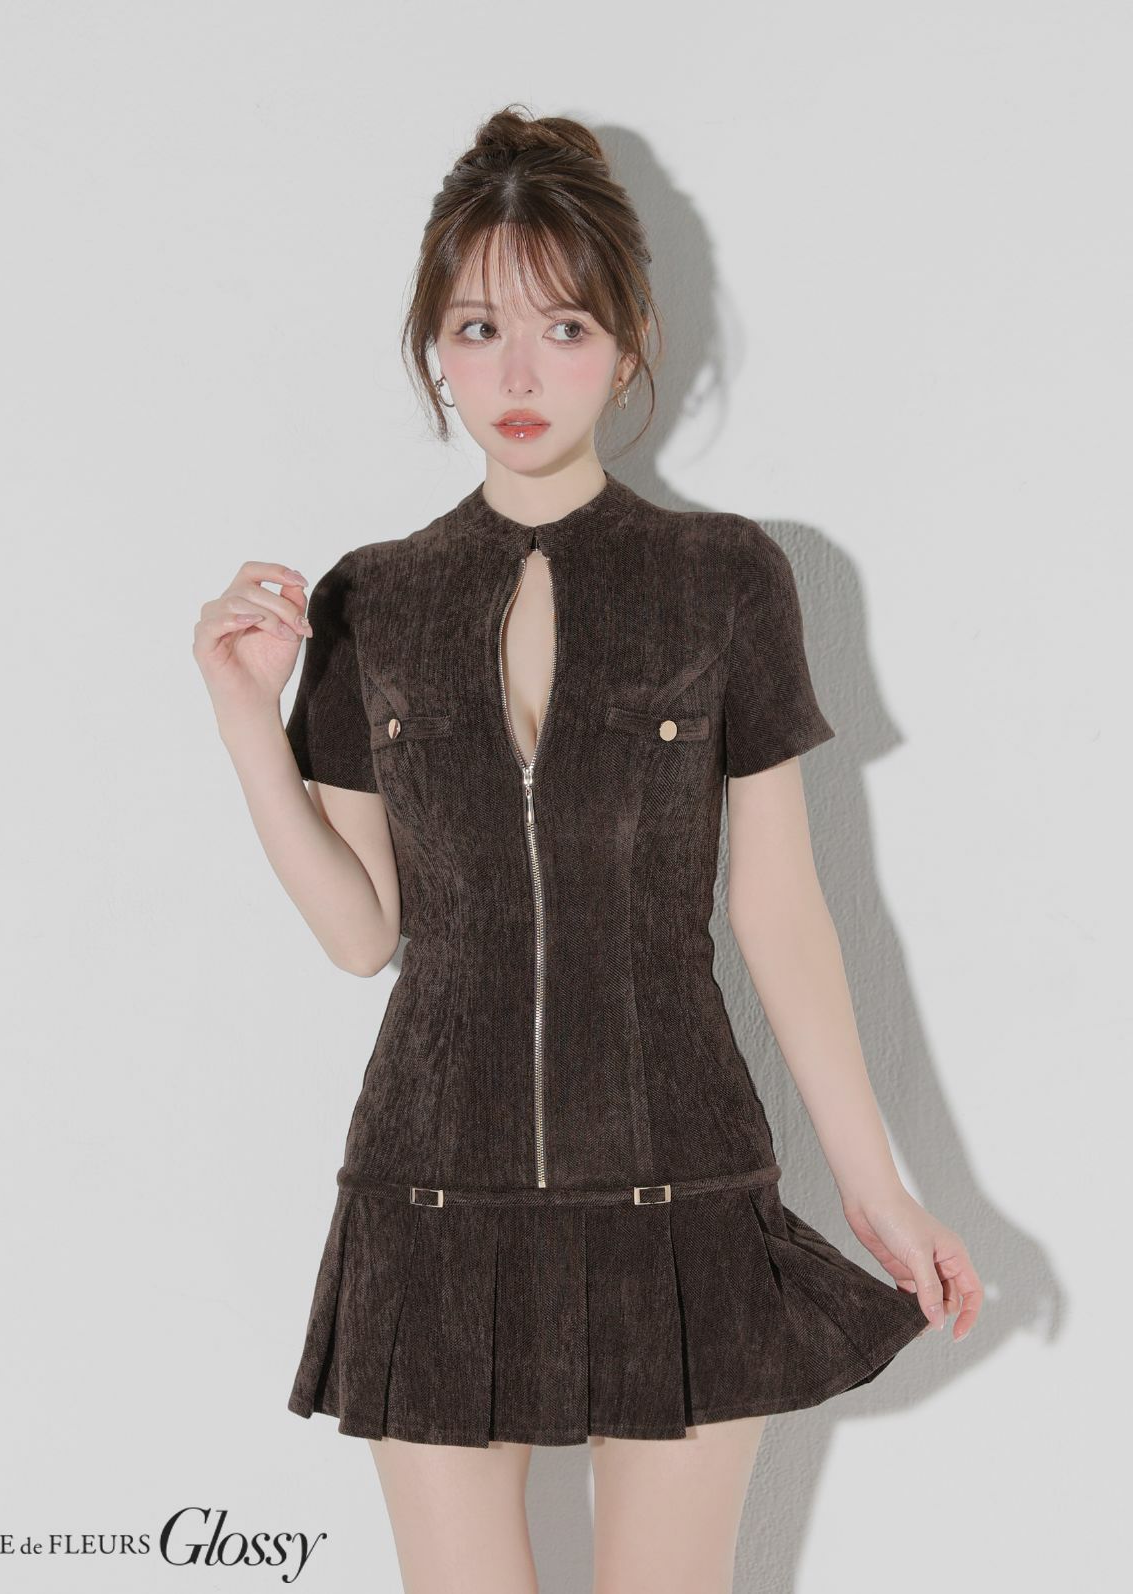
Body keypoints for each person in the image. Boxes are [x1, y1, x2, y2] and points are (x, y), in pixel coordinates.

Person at [193, 105, 983, 1594]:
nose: (518, 373)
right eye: (478, 326)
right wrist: (245, 716)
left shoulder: (725, 579)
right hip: (430, 1200)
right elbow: (363, 933)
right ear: (434, 346)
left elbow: (781, 911)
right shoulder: (372, 600)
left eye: (563, 326)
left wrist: (877, 1189)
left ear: (628, 345)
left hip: (678, 1197)